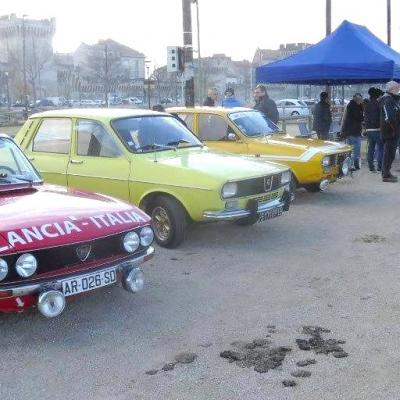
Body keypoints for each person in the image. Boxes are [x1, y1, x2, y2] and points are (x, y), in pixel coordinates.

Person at [379, 81, 400, 182]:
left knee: (391, 154)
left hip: (393, 132)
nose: (398, 90)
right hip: (390, 132)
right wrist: (396, 129)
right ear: (392, 89)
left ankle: (387, 172)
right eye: (397, 88)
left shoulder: (393, 99)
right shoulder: (387, 99)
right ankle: (385, 175)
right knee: (388, 154)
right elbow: (389, 118)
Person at [341, 93, 364, 170]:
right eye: (360, 99)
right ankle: (355, 164)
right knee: (356, 149)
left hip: (348, 131)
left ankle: (349, 165)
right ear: (357, 99)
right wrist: (361, 109)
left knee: (349, 149)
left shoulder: (349, 105)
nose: (361, 101)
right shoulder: (355, 106)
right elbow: (359, 117)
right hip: (355, 131)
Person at [364, 88, 384, 172]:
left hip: (368, 129)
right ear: (377, 95)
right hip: (377, 129)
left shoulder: (367, 104)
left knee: (371, 148)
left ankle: (371, 167)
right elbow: (381, 117)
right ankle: (380, 167)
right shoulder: (378, 104)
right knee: (381, 148)